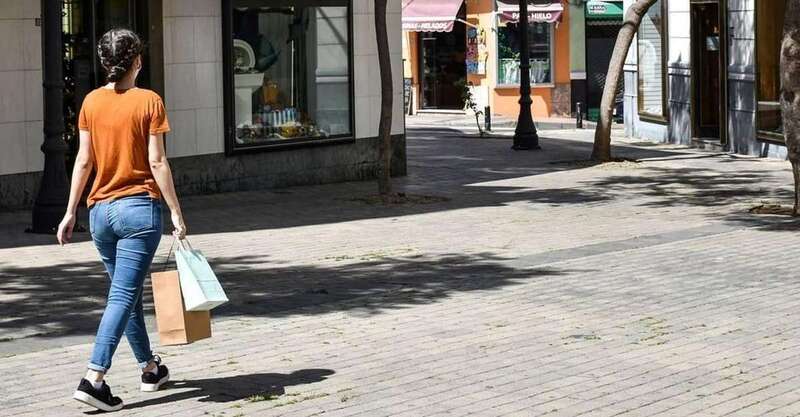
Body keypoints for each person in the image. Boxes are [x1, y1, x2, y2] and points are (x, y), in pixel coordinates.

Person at [56, 28, 186, 412]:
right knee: (123, 296)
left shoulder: (91, 103)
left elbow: (83, 161)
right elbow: (157, 161)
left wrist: (69, 211)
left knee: (123, 295)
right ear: (138, 62)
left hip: (100, 214)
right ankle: (94, 378)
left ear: (104, 62)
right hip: (138, 211)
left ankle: (150, 369)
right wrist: (177, 211)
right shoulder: (150, 101)